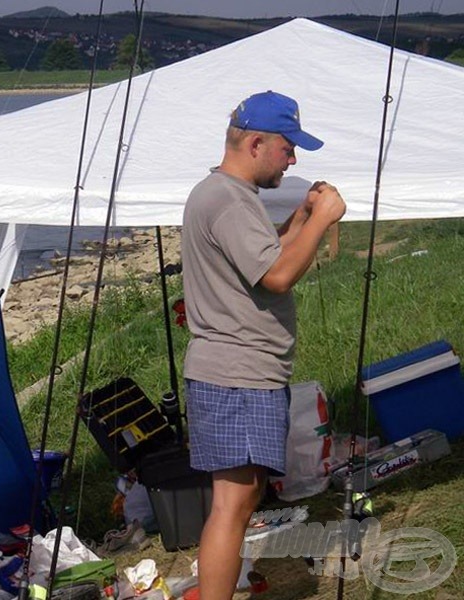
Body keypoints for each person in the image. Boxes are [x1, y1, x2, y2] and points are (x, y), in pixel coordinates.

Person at [181, 91, 346, 600]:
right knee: (232, 506)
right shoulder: (227, 199)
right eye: (288, 147)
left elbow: (260, 258)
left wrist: (298, 221)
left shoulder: (227, 196)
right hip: (236, 374)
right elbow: (275, 275)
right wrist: (323, 219)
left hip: (241, 372)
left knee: (242, 497)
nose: (293, 159)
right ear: (255, 142)